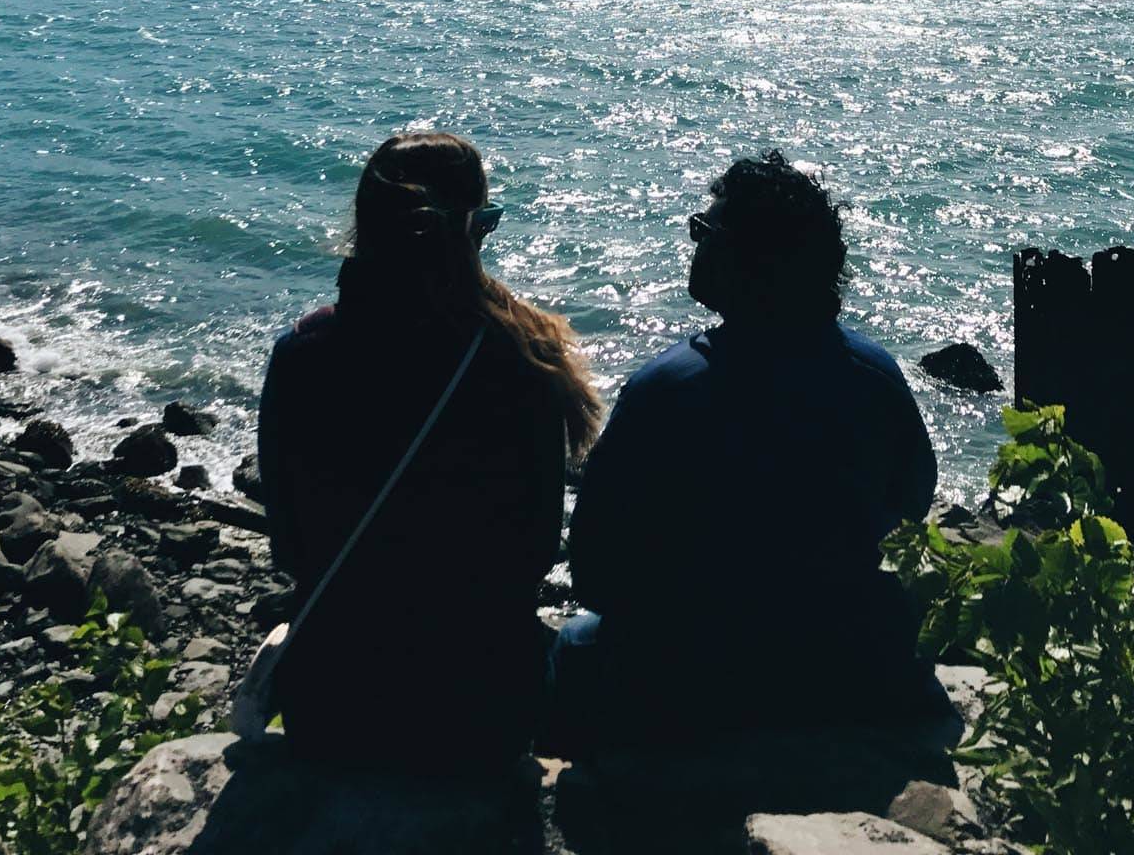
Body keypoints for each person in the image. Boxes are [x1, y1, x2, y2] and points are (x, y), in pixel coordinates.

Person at [553, 150, 938, 749]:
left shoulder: (666, 391)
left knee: (572, 643)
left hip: (695, 679)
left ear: (749, 260)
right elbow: (910, 507)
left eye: (704, 232)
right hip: (839, 663)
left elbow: (597, 573)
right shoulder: (875, 376)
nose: (694, 244)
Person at [257, 130, 601, 769]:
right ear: (471, 230)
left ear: (363, 228)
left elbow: (290, 546)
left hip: (337, 696)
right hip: (478, 702)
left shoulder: (304, 355)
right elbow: (531, 550)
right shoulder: (524, 361)